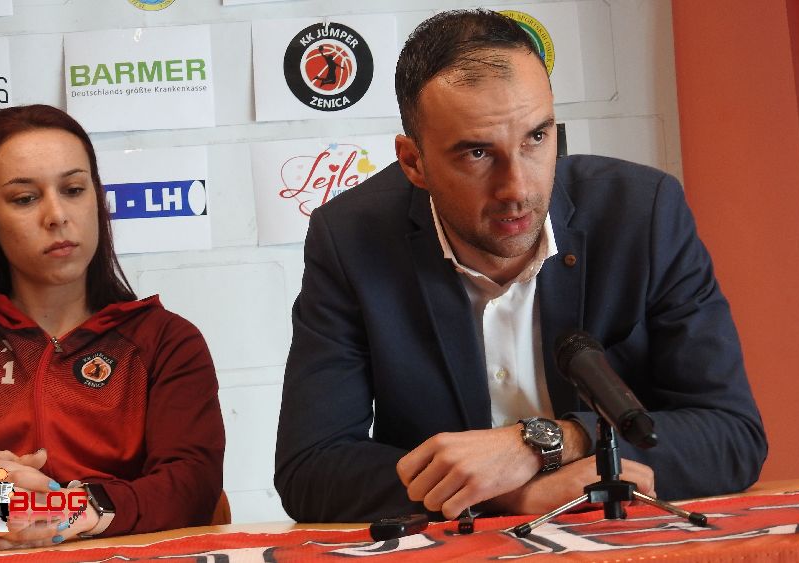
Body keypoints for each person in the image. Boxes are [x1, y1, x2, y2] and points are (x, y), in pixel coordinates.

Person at [274, 9, 767, 523]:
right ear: (414, 162)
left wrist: (551, 442)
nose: (518, 188)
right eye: (477, 153)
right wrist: (507, 497)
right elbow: (311, 469)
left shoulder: (643, 214)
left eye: (536, 138)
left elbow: (733, 435)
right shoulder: (351, 239)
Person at [0, 104, 225, 549]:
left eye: (73, 189)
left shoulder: (167, 341)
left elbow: (193, 488)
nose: (56, 215)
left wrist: (74, 509)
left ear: (98, 200)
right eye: (25, 198)